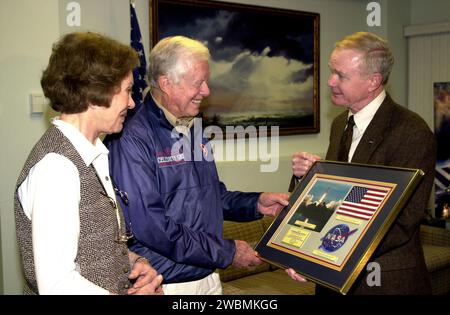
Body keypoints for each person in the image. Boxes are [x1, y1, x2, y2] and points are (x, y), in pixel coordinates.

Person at [106, 36, 296, 294]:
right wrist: (227, 252)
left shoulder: (192, 127)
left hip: (207, 277)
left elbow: (211, 195)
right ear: (166, 83)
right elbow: (151, 226)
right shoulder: (130, 137)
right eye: (199, 83)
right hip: (165, 285)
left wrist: (256, 203)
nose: (206, 91)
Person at [14, 32, 164, 295]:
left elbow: (92, 248)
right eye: (127, 91)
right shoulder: (56, 167)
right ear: (95, 96)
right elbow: (58, 285)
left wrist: (136, 263)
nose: (131, 103)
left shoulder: (91, 154)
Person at [287, 32, 436, 294]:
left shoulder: (412, 132)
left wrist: (317, 255)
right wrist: (310, 177)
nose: (330, 81)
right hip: (332, 277)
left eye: (341, 75)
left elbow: (401, 221)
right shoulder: (339, 125)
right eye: (332, 71)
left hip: (382, 282)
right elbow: (337, 200)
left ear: (373, 82)